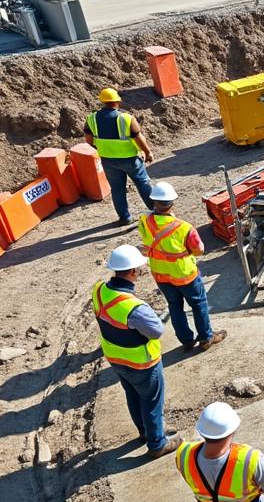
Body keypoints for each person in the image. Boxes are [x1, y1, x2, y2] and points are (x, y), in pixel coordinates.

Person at [92, 246, 180, 458]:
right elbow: (156, 331)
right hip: (142, 363)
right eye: (140, 268)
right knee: (151, 400)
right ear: (132, 272)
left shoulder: (99, 290)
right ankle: (157, 443)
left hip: (116, 359)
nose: (142, 270)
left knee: (132, 394)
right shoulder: (134, 307)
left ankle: (146, 432)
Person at [138, 181, 227, 352]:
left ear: (153, 201)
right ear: (173, 202)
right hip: (185, 274)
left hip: (160, 274)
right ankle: (206, 338)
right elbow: (199, 250)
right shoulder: (184, 227)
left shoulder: (143, 220)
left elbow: (146, 240)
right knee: (198, 304)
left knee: (174, 305)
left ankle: (186, 340)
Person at [85, 88, 155, 227]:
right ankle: (156, 212)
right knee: (143, 184)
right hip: (130, 159)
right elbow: (138, 138)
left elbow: (88, 140)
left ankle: (125, 218)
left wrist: (103, 148)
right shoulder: (126, 118)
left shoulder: (91, 118)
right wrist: (148, 152)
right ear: (117, 101)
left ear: (102, 101)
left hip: (108, 160)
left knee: (117, 189)